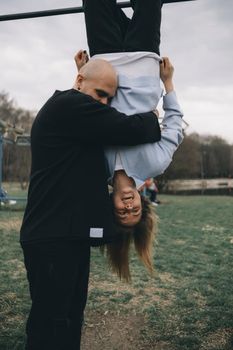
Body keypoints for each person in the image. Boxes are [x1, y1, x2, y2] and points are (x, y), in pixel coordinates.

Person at [20, 58, 161, 349]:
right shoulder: (68, 106)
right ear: (79, 81)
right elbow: (132, 128)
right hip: (52, 238)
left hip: (65, 236)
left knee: (70, 318)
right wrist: (152, 117)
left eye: (109, 98)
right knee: (51, 323)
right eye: (100, 94)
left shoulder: (78, 117)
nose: (105, 103)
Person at [78, 0, 184, 280]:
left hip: (105, 61)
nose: (128, 206)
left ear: (111, 206)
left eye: (122, 213)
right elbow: (174, 124)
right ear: (142, 202)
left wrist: (81, 78)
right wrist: (168, 82)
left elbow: (82, 117)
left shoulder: (94, 167)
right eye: (134, 211)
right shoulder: (156, 164)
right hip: (144, 61)